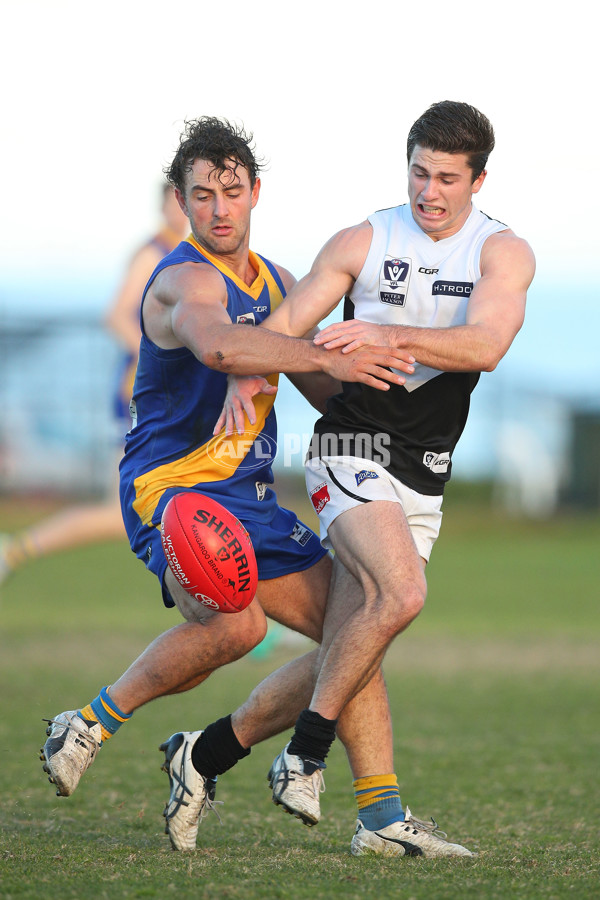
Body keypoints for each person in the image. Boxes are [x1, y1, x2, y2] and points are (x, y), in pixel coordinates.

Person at [41, 117, 430, 858]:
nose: (219, 208)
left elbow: (322, 386)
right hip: (175, 495)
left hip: (250, 499)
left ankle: (379, 816)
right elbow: (220, 344)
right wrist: (317, 351)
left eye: (231, 191)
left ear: (255, 193)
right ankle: (88, 724)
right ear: (182, 204)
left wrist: (395, 425)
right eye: (201, 195)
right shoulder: (181, 279)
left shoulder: (280, 284)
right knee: (238, 627)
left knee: (361, 626)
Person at [226, 99, 532, 857]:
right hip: (350, 443)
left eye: (448, 179)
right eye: (420, 173)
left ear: (478, 181)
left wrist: (387, 330)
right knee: (402, 594)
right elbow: (281, 331)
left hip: (423, 475)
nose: (430, 192)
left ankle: (204, 755)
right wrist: (245, 373)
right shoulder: (364, 240)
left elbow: (487, 344)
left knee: (357, 637)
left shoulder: (503, 255)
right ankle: (305, 754)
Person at [0, 183, 188, 586]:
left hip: (167, 398)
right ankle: (14, 550)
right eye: (179, 199)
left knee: (179, 503)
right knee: (132, 511)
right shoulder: (153, 252)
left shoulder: (184, 255)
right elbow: (115, 316)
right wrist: (154, 358)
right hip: (143, 397)